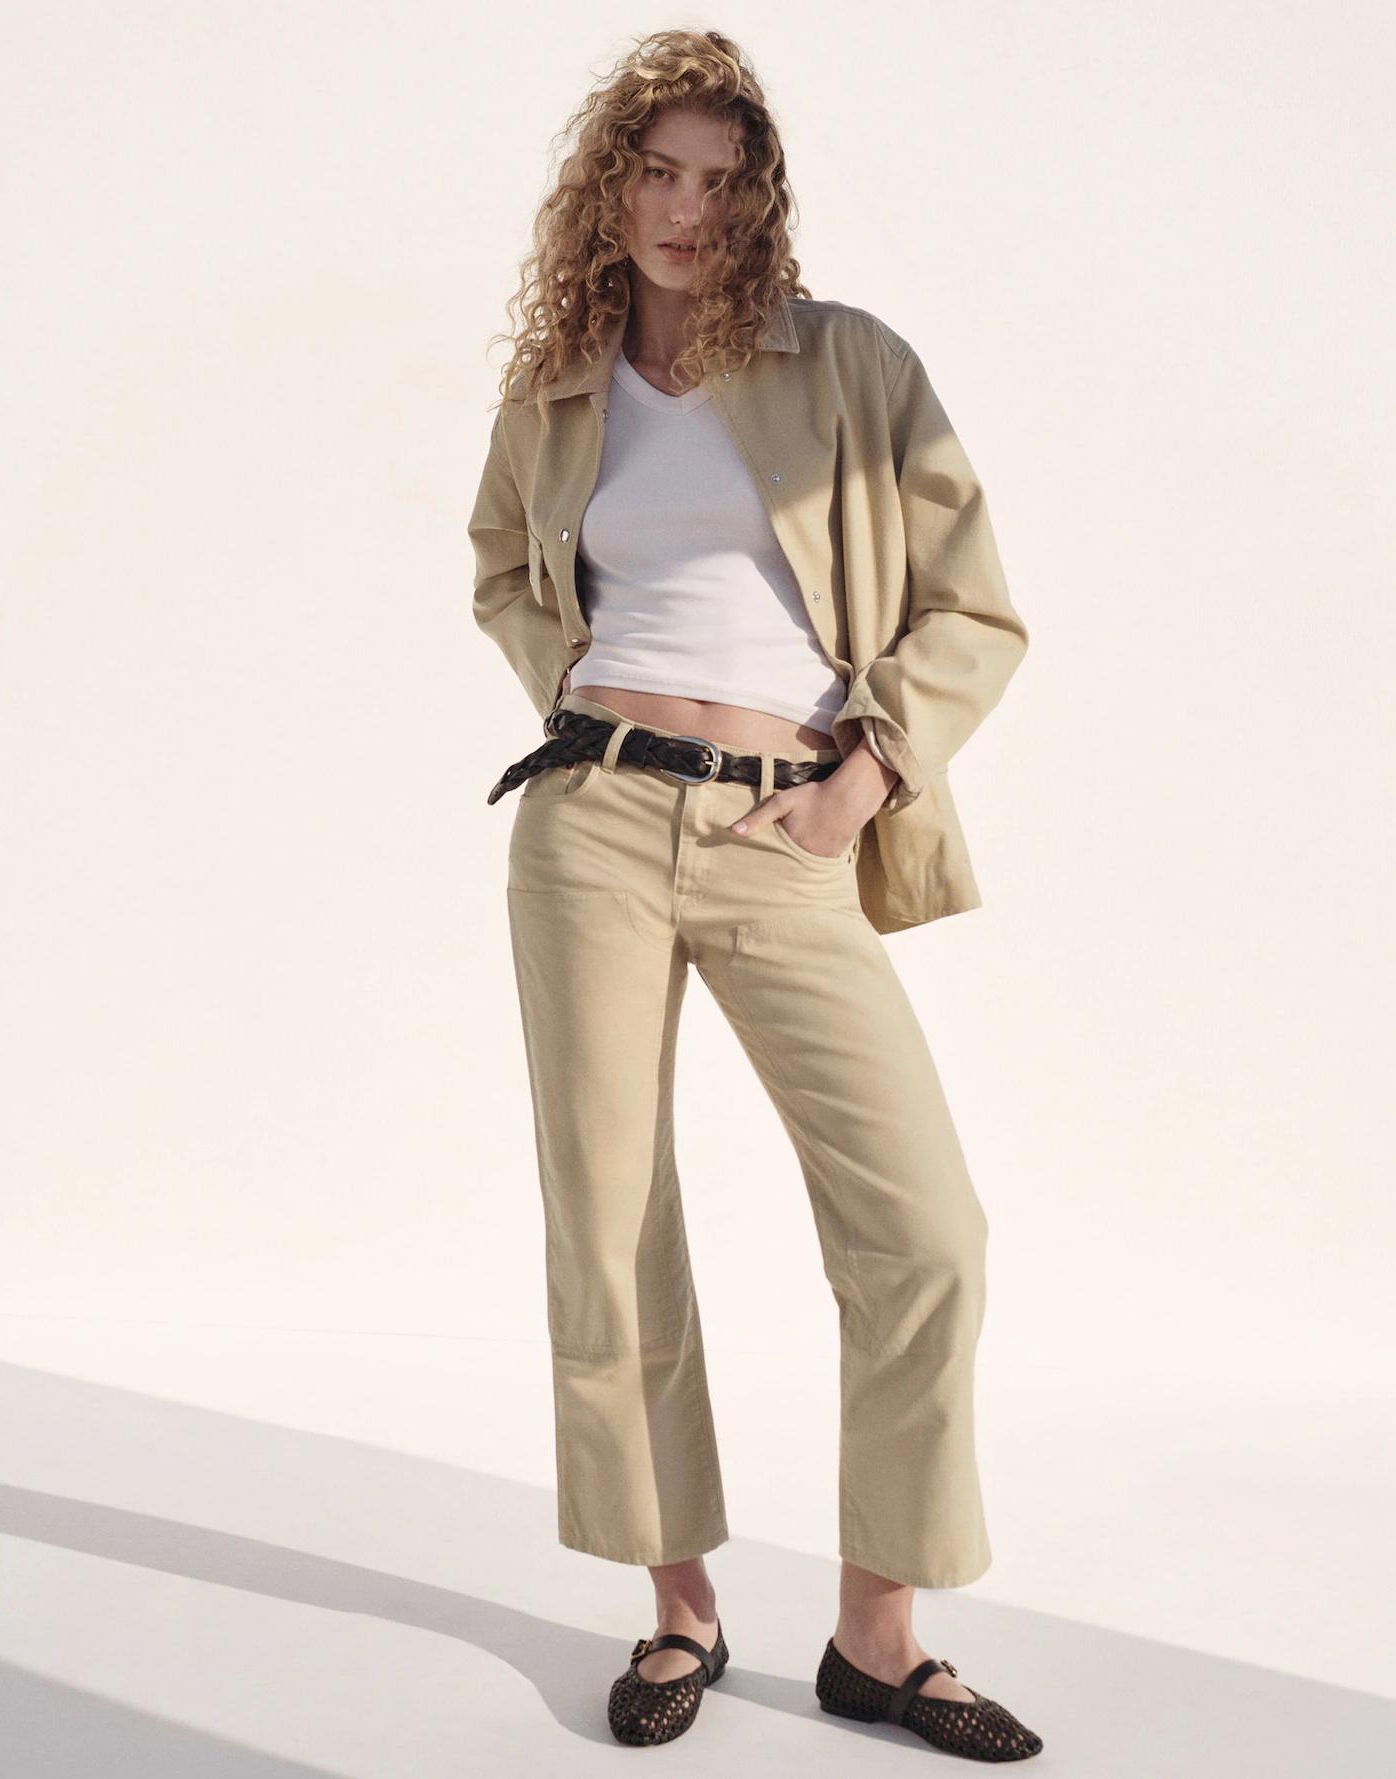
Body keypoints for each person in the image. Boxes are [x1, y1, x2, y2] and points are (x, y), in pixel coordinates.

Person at [468, 28, 1041, 1762]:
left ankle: (878, 1637)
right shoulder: (559, 385)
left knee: (924, 1232)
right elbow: (502, 566)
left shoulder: (849, 364)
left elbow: (973, 606)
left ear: (759, 200)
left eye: (721, 181)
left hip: (780, 830)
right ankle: (680, 1608)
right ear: (610, 190)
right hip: (590, 824)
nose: (686, 209)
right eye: (657, 173)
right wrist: (577, 700)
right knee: (610, 1217)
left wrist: (862, 777)